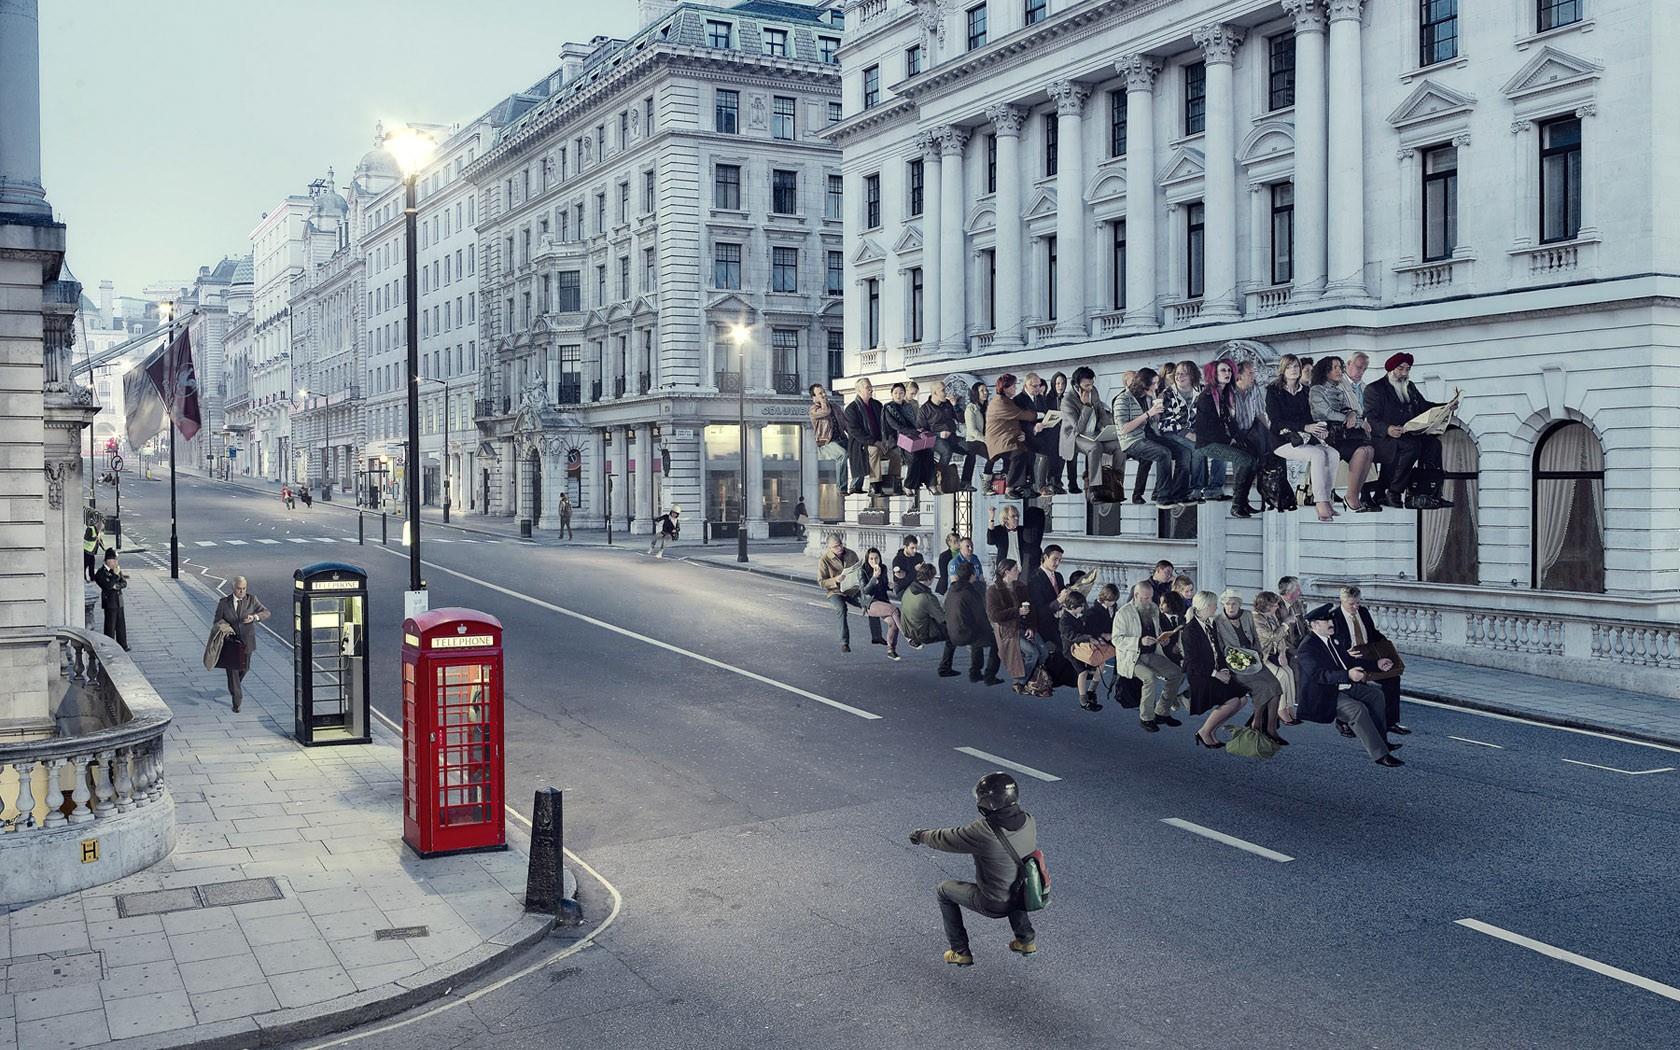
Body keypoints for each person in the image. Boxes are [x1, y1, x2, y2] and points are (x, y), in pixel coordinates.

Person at [909, 772, 1040, 966]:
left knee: (944, 890)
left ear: (987, 802)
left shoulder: (984, 831)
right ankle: (1026, 940)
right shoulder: (1029, 820)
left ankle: (960, 951)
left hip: (993, 903)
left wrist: (920, 835)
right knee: (1013, 877)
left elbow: (946, 838)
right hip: (1024, 895)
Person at [1297, 604, 1404, 766]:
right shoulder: (1307, 648)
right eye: (1325, 621)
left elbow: (1350, 661)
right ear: (1314, 625)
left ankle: (1381, 742)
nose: (1331, 622)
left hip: (1343, 687)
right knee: (1357, 709)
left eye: (1330, 619)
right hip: (1325, 695)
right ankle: (1380, 755)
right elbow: (1318, 675)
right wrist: (1347, 674)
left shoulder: (1333, 640)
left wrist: (1377, 664)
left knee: (1376, 695)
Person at [1363, 352, 1455, 509]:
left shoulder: (1410, 387)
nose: (1404, 374)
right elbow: (1370, 419)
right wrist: (1388, 429)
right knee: (1412, 446)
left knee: (1433, 444)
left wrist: (1446, 407)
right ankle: (1393, 491)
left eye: (1407, 369)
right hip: (1383, 439)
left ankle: (1427, 492)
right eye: (1400, 369)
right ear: (1391, 369)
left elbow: (1424, 407)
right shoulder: (1375, 389)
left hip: (1407, 435)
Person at [1267, 353, 1342, 522]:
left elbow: (1312, 417)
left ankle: (1327, 498)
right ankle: (1320, 502)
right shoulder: (1273, 391)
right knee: (1317, 455)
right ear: (1283, 370)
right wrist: (1305, 427)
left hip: (1305, 438)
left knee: (1333, 454)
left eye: (1296, 366)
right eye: (1289, 367)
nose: (1294, 370)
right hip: (1282, 440)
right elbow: (1277, 421)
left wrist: (1321, 429)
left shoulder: (1306, 392)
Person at [1330, 585, 1409, 735]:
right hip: (1349, 659)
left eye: (1358, 603)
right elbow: (1331, 644)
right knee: (1353, 685)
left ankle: (1389, 722)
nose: (1355, 607)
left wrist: (1388, 648)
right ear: (1342, 601)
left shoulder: (1363, 612)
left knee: (1393, 678)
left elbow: (1372, 633)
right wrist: (1345, 653)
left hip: (1369, 654)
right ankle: (1342, 722)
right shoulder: (1334, 617)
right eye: (1351, 604)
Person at [1214, 588, 1286, 745]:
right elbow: (1219, 648)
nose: (1231, 607)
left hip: (1253, 659)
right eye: (1227, 604)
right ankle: (1257, 723)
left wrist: (1258, 654)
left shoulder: (1247, 615)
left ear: (1239, 604)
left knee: (1275, 686)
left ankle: (1271, 729)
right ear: (1223, 605)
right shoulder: (1218, 621)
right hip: (1235, 664)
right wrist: (1225, 666)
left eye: (1234, 603)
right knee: (1262, 687)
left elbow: (1255, 638)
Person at [1113, 580, 1187, 731]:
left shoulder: (1152, 607)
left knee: (1177, 674)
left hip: (1152, 653)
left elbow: (1156, 631)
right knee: (1150, 678)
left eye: (1151, 597)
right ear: (1136, 595)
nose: (1150, 601)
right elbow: (1116, 640)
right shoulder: (1123, 613)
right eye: (1146, 598)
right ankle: (1146, 718)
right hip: (1133, 658)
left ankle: (1162, 712)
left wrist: (1162, 640)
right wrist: (1139, 641)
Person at [1309, 356, 1379, 512]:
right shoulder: (1316, 390)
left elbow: (1347, 409)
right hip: (1327, 435)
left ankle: (1355, 494)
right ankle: (1351, 496)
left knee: (1370, 450)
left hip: (1343, 433)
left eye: (1340, 367)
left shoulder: (1337, 389)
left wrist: (1352, 415)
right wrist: (1349, 418)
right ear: (1325, 370)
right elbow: (1327, 413)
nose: (1339, 371)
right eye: (1335, 368)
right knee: (1361, 451)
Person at [1182, 590, 1251, 748]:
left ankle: (1212, 730)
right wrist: (1215, 674)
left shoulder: (1209, 624)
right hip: (1200, 676)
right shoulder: (1190, 630)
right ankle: (1204, 732)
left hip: (1215, 672)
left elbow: (1217, 652)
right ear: (1206, 606)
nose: (1217, 607)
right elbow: (1191, 663)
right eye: (1214, 605)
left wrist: (1223, 669)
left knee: (1243, 699)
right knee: (1233, 701)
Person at [1111, 367, 1185, 508]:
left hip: (1150, 435)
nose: (1157, 386)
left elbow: (1153, 422)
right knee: (1163, 453)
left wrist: (1157, 411)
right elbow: (1124, 428)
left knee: (1182, 450)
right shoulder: (1122, 399)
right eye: (1155, 383)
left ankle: (1176, 491)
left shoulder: (1148, 396)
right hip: (1132, 440)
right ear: (1144, 383)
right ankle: (1163, 497)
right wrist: (1148, 413)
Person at [1194, 360, 1258, 517]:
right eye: (1223, 370)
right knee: (1244, 460)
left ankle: (1243, 502)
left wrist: (1239, 439)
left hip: (1222, 440)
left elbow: (1231, 422)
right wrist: (1230, 440)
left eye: (1229, 370)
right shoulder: (1207, 397)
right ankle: (1236, 506)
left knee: (1254, 459)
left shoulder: (1226, 396)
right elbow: (1207, 428)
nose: (1227, 373)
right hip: (1208, 443)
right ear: (1213, 374)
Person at [1056, 367, 1117, 498]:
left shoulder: (1093, 391)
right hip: (1074, 436)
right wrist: (1086, 406)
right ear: (1077, 386)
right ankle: (1094, 487)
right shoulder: (1067, 401)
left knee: (1118, 445)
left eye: (1092, 384)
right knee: (1095, 447)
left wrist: (1107, 428)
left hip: (1093, 432)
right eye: (1086, 385)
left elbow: (1101, 410)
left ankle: (1117, 482)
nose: (1090, 388)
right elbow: (1078, 428)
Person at [985, 560, 1046, 694]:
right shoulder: (993, 590)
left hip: (1024, 625)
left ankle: (1030, 677)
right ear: (1006, 572)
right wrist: (1016, 611)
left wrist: (1031, 626)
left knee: (1044, 651)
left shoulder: (1020, 587)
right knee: (1032, 652)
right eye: (1014, 569)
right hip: (1008, 629)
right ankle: (1020, 682)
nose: (1018, 571)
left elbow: (1031, 608)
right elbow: (994, 615)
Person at [214, 576, 270, 713]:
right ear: (233, 588)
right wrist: (226, 629)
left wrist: (255, 617)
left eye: (244, 588)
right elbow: (217, 621)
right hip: (230, 643)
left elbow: (266, 612)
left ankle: (234, 686)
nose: (242, 591)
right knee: (233, 671)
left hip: (246, 642)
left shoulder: (252, 600)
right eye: (239, 588)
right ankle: (237, 702)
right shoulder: (223, 603)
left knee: (244, 669)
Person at [985, 374, 1040, 499]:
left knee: (1029, 452)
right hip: (998, 441)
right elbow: (1019, 414)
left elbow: (1012, 421)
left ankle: (1026, 487)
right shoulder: (999, 402)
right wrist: (1038, 415)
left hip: (1007, 437)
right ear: (1005, 388)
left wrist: (1021, 433)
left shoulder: (1006, 400)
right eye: (1013, 385)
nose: (1015, 388)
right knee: (1018, 454)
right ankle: (1009, 489)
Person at [946, 561, 1001, 684]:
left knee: (978, 636)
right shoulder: (971, 592)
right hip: (965, 633)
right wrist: (991, 630)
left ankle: (975, 673)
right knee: (996, 641)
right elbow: (981, 617)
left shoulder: (952, 589)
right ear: (972, 575)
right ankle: (989, 676)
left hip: (951, 631)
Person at [1252, 591, 1300, 727]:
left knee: (1289, 671)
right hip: (1261, 657)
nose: (1277, 607)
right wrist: (1286, 623)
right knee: (1282, 676)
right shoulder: (1255, 619)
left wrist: (1282, 653)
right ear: (1266, 606)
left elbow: (1280, 639)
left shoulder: (1271, 616)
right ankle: (1281, 709)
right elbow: (1273, 635)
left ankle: (1289, 707)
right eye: (1274, 605)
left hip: (1273, 654)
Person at [903, 565, 958, 676]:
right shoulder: (927, 597)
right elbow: (943, 619)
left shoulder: (909, 589)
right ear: (929, 579)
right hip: (922, 633)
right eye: (933, 578)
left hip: (908, 630)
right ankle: (944, 669)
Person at [842, 377, 892, 495]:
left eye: (871, 387)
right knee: (874, 451)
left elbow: (884, 424)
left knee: (895, 453)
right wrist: (875, 442)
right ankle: (875, 486)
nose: (871, 389)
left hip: (879, 440)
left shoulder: (877, 405)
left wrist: (886, 440)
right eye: (867, 387)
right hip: (861, 444)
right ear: (859, 391)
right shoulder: (852, 409)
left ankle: (893, 484)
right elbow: (855, 431)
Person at [1056, 591, 1104, 711]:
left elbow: (1088, 628)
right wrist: (1089, 638)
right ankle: (1083, 700)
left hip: (1083, 646)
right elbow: (1072, 636)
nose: (1083, 608)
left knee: (1101, 662)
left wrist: (1097, 637)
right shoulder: (1064, 621)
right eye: (1081, 606)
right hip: (1072, 650)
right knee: (1082, 672)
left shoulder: (1078, 616)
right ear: (1073, 607)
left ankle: (1091, 690)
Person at [817, 532, 863, 653]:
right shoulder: (824, 560)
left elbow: (859, 571)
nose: (839, 548)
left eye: (840, 545)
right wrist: (835, 580)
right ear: (829, 547)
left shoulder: (851, 554)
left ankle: (878, 636)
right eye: (836, 546)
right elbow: (821, 582)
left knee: (869, 604)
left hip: (851, 588)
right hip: (835, 591)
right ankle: (844, 642)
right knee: (841, 609)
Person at [859, 547, 904, 660]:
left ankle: (891, 650)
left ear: (880, 558)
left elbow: (883, 586)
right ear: (867, 560)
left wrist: (890, 586)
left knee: (893, 623)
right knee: (895, 610)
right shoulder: (862, 570)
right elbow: (865, 591)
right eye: (871, 559)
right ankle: (908, 637)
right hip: (870, 603)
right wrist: (874, 578)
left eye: (877, 558)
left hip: (882, 602)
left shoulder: (883, 568)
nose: (874, 561)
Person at [884, 382, 927, 493]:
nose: (898, 395)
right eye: (896, 393)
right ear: (892, 394)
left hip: (909, 436)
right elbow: (896, 426)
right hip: (895, 439)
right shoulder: (888, 407)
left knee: (925, 452)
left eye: (901, 393)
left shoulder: (908, 406)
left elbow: (914, 422)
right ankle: (908, 485)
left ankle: (918, 482)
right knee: (913, 456)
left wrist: (918, 431)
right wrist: (915, 432)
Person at [808, 383, 850, 495]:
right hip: (826, 442)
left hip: (841, 439)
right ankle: (841, 488)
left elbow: (845, 424)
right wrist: (823, 402)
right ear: (814, 398)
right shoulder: (813, 410)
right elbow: (825, 412)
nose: (824, 395)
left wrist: (855, 438)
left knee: (860, 450)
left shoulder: (835, 407)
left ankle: (856, 485)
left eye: (824, 392)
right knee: (842, 454)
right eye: (820, 394)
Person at [1027, 546, 1067, 653]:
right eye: (1055, 559)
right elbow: (1039, 609)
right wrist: (1058, 601)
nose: (1057, 563)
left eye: (1059, 560)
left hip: (1060, 623)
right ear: (1045, 557)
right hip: (1044, 626)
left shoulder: (1058, 576)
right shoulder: (1034, 578)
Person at [986, 503, 1043, 576]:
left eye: (1017, 516)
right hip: (1005, 569)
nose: (1016, 518)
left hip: (1021, 569)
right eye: (1013, 516)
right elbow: (990, 541)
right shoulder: (999, 530)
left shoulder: (1023, 530)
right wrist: (991, 519)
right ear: (1006, 519)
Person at [92, 548, 129, 651]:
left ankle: (123, 645)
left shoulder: (117, 569)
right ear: (107, 560)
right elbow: (108, 586)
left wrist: (116, 586)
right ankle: (110, 645)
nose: (116, 562)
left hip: (119, 600)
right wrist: (115, 575)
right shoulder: (100, 573)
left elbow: (124, 583)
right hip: (109, 602)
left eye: (116, 560)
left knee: (121, 624)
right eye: (114, 560)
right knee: (110, 625)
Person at [960, 382, 991, 489]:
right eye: (982, 390)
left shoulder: (987, 408)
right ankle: (984, 483)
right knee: (990, 454)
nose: (985, 392)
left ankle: (968, 482)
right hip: (974, 439)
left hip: (986, 439)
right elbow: (972, 430)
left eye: (986, 390)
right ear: (975, 393)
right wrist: (985, 439)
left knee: (996, 453)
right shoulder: (971, 409)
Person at [890, 534, 924, 600]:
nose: (915, 550)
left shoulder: (919, 557)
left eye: (916, 548)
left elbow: (922, 576)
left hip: (917, 587)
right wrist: (914, 570)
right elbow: (902, 582)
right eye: (912, 548)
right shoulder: (897, 560)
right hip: (902, 590)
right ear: (905, 547)